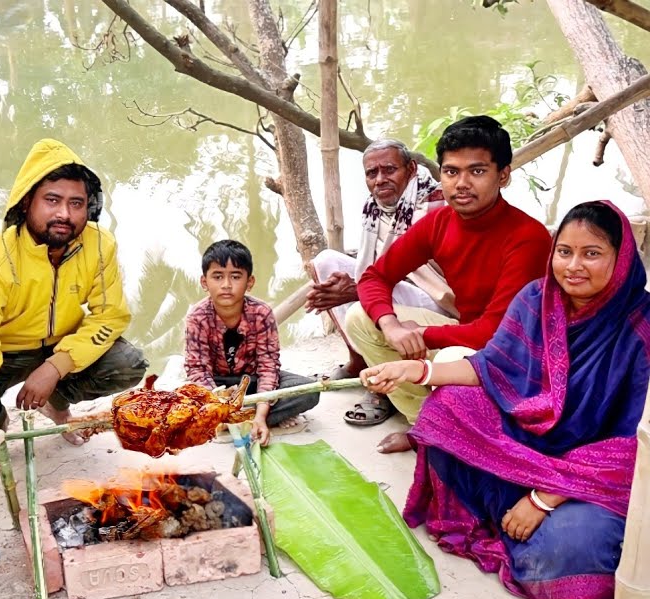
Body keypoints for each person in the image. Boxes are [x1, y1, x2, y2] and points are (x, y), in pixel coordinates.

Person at [362, 201, 649, 599]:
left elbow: (635, 446)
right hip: (531, 445)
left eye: (592, 253)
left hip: (595, 473)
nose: (573, 266)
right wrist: (418, 370)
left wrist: (543, 498)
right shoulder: (537, 299)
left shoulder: (642, 328)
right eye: (564, 251)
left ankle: (524, 514)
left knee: (574, 549)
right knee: (446, 408)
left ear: (621, 257)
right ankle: (505, 512)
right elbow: (490, 367)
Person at [0, 138, 148, 468]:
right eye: (52, 200)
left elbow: (110, 316)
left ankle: (57, 405)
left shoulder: (99, 244)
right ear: (26, 203)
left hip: (62, 343)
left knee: (128, 364)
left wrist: (55, 367)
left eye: (76, 203)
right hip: (7, 351)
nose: (65, 213)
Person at [347, 115, 552, 453]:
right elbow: (375, 276)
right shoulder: (441, 221)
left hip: (519, 359)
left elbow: (494, 333)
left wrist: (420, 335)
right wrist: (392, 325)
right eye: (451, 171)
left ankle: (455, 432)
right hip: (468, 332)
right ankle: (425, 427)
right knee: (361, 318)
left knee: (450, 356)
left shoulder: (526, 238)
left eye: (477, 171)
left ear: (504, 175)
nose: (461, 183)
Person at [306, 138, 450, 425]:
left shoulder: (434, 204)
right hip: (397, 290)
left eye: (389, 170)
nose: (380, 179)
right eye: (372, 173)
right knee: (325, 262)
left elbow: (413, 275)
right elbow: (376, 266)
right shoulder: (375, 208)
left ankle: (384, 389)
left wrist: (358, 290)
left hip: (439, 305)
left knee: (370, 294)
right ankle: (360, 358)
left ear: (411, 169)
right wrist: (353, 283)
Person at [185, 240, 319, 446]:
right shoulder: (197, 316)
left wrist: (261, 414)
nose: (226, 285)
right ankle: (230, 418)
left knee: (308, 390)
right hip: (218, 385)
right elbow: (198, 370)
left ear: (250, 282)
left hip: (252, 383)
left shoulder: (262, 313)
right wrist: (218, 402)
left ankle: (248, 420)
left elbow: (268, 367)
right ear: (204, 282)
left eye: (236, 277)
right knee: (184, 401)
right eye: (218, 276)